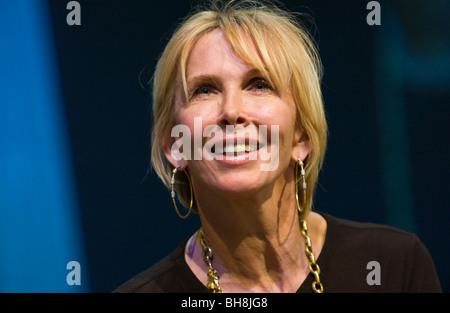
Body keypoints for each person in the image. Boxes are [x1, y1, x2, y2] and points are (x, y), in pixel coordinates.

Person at [115, 0, 441, 293]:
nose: (231, 111)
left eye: (259, 85)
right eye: (205, 90)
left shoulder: (393, 264)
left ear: (302, 137)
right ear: (175, 146)